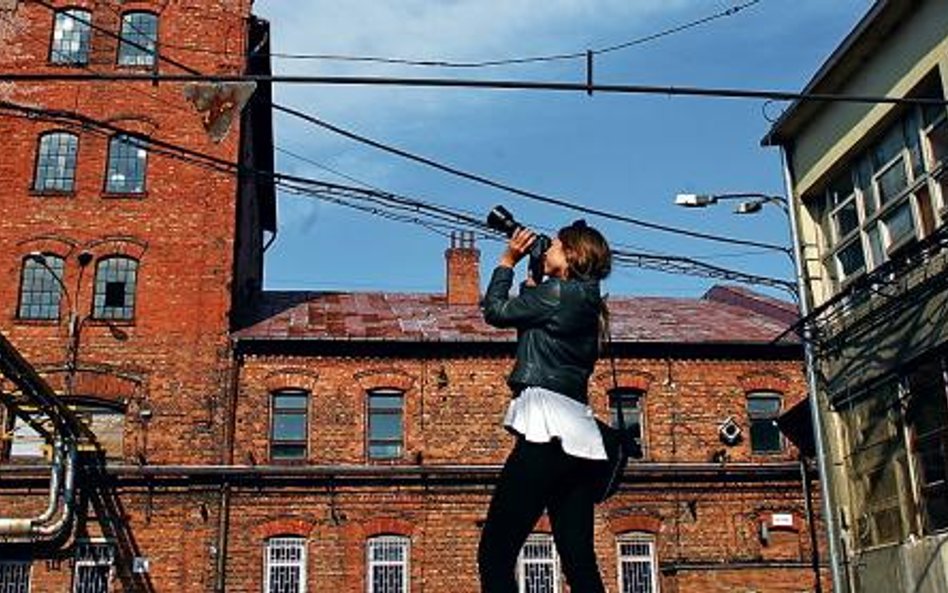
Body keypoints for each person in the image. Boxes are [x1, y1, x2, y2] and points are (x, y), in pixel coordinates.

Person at [478, 219, 612, 593]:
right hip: (580, 440)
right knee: (579, 560)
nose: (547, 248)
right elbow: (535, 332)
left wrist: (507, 261)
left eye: (553, 245)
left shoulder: (557, 295)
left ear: (571, 255)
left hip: (544, 432)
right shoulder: (584, 301)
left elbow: (496, 312)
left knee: (494, 555)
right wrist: (532, 282)